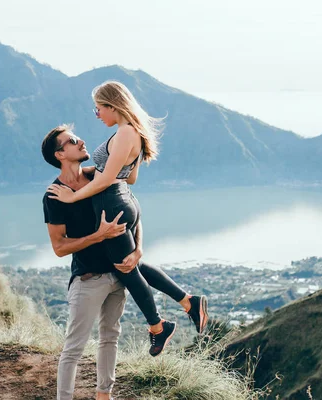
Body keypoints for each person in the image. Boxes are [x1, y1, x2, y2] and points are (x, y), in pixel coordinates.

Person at [46, 81, 208, 357]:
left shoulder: (124, 133)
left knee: (125, 268)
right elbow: (129, 176)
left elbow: (108, 178)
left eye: (99, 109)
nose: (97, 115)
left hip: (112, 204)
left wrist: (73, 197)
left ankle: (159, 326)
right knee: (131, 263)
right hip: (124, 201)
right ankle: (188, 301)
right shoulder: (132, 133)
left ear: (112, 106)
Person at [42, 124, 128, 400]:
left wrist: (138, 251)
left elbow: (132, 208)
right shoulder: (54, 195)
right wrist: (98, 236)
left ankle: (105, 395)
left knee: (110, 337)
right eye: (72, 141)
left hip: (119, 273)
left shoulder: (99, 178)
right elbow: (59, 247)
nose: (81, 142)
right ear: (60, 154)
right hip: (88, 279)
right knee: (74, 349)